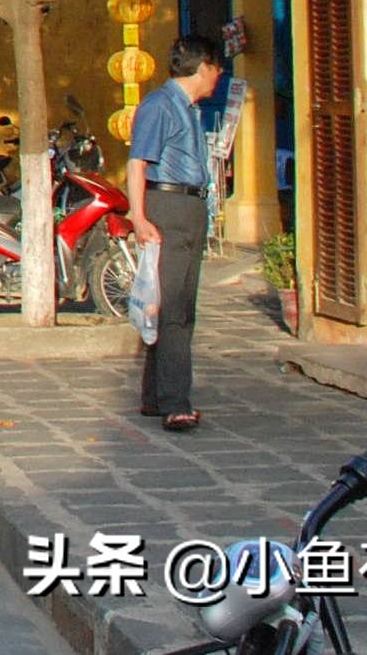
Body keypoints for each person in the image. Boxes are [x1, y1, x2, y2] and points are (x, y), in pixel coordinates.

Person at [126, 32, 225, 432]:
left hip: (190, 205)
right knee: (174, 307)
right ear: (204, 67)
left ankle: (155, 395)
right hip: (170, 206)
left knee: (175, 303)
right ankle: (175, 402)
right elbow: (138, 163)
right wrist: (139, 217)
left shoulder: (188, 108)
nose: (218, 77)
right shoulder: (160, 105)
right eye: (216, 68)